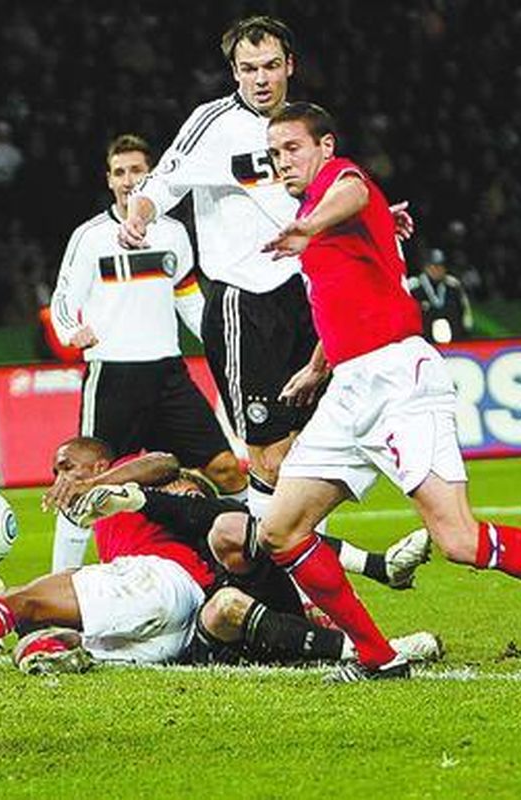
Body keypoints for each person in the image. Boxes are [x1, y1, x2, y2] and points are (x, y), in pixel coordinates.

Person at [255, 100, 521, 681]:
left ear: (325, 147)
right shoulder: (324, 218)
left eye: (291, 149)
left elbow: (355, 192)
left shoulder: (341, 186)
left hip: (400, 380)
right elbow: (346, 298)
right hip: (350, 390)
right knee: (280, 530)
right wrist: (318, 366)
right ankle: (376, 656)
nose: (281, 162)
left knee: (459, 542)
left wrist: (311, 226)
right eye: (273, 155)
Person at [117, 16, 413, 521]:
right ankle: (272, 574)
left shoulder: (302, 127)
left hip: (307, 296)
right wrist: (138, 216)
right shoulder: (213, 124)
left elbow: (319, 199)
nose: (261, 79)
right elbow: (164, 182)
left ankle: (288, 566)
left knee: (316, 448)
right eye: (249, 68)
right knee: (270, 458)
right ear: (234, 73)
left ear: (290, 66)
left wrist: (373, 220)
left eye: (271, 66)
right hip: (245, 302)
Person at [0, 436, 437, 677]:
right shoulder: (101, 514)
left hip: (162, 582)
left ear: (99, 467)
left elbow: (162, 460)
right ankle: (47, 650)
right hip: (166, 632)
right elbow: (70, 567)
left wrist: (111, 485)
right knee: (40, 628)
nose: (58, 478)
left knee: (22, 603)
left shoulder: (149, 493)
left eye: (67, 468)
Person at [47, 133, 246, 571]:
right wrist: (70, 331)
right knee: (85, 483)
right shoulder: (91, 237)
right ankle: (59, 588)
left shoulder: (173, 233)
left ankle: (259, 564)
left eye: (137, 170)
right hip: (112, 376)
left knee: (228, 471)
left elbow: (188, 295)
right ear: (109, 180)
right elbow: (63, 297)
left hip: (169, 376)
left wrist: (221, 339)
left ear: (151, 176)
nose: (127, 179)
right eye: (119, 172)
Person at [407, 247, 474, 343]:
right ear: (425, 267)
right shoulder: (414, 288)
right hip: (423, 344)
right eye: (433, 266)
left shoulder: (453, 286)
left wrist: (466, 331)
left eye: (441, 266)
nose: (438, 270)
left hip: (455, 344)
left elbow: (465, 312)